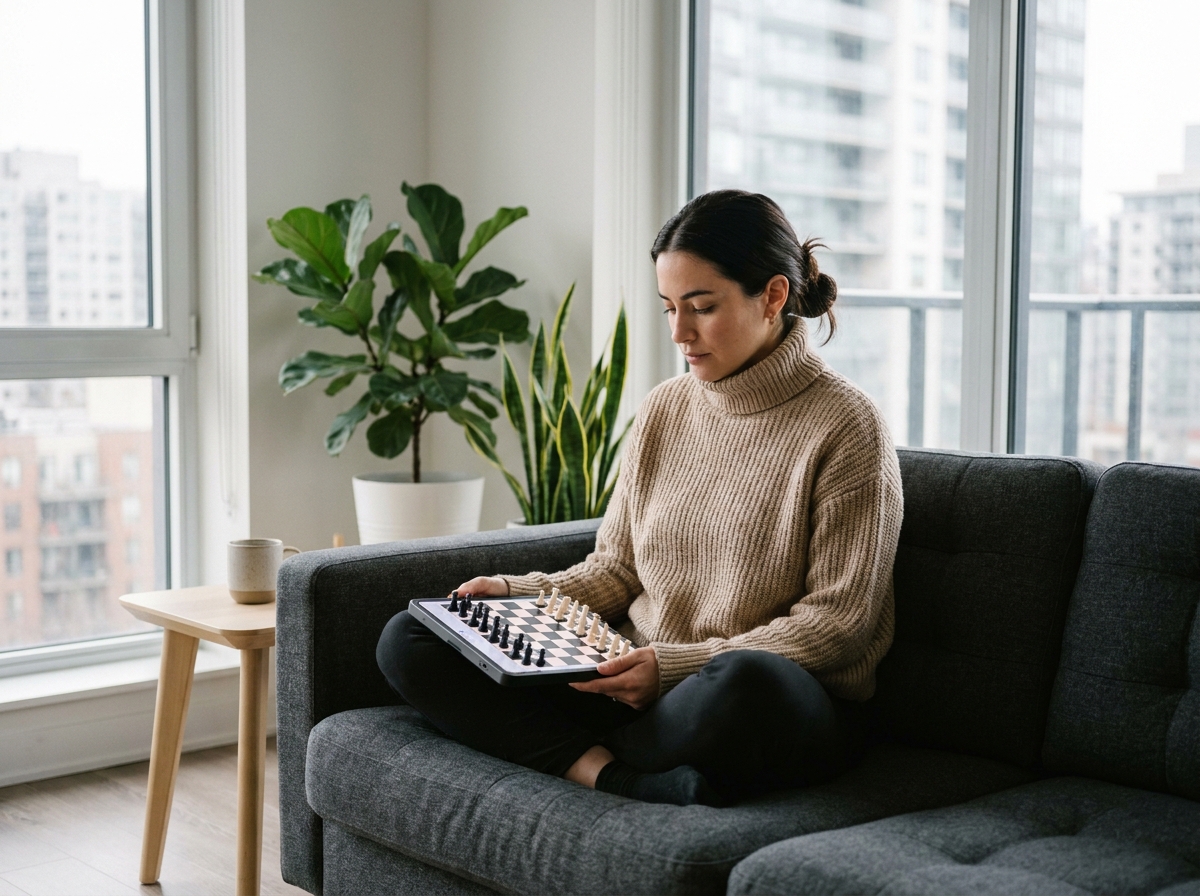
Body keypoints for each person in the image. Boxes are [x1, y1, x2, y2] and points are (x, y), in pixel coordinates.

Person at [376, 189, 903, 807]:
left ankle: (559, 747)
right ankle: (615, 776)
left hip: (758, 699)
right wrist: (518, 592)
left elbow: (837, 626)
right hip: (633, 681)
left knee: (746, 680)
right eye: (668, 308)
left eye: (702, 307)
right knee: (411, 636)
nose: (681, 332)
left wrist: (674, 666)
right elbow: (617, 568)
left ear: (774, 296)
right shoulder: (665, 409)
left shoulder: (847, 425)